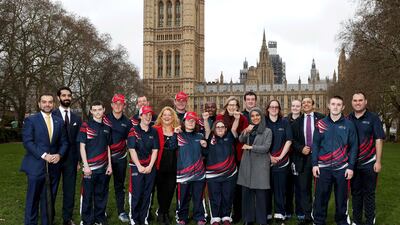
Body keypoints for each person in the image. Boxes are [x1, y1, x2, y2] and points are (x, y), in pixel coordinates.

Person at [21, 93, 68, 225]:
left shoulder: (59, 121)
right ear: (39, 104)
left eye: (50, 102)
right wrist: (44, 155)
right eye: (44, 102)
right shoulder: (31, 120)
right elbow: (28, 142)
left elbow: (64, 142)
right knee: (33, 198)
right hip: (36, 166)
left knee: (49, 198)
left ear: (53, 104)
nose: (47, 104)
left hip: (54, 166)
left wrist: (59, 155)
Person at [312, 96, 358, 225]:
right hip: (323, 168)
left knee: (341, 199)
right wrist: (314, 164)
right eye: (333, 104)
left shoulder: (349, 124)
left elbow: (354, 146)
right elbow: (315, 144)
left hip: (342, 168)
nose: (336, 107)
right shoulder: (321, 123)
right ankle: (319, 221)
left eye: (339, 104)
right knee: (321, 197)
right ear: (329, 106)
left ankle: (342, 221)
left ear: (343, 107)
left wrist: (351, 167)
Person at [349, 92, 385, 225]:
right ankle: (357, 220)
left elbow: (379, 139)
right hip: (353, 164)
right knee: (356, 193)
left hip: (369, 163)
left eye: (360, 100)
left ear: (365, 102)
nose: (357, 103)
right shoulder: (348, 118)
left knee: (369, 193)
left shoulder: (373, 118)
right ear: (352, 102)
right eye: (355, 100)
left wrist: (378, 161)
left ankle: (370, 220)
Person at [78, 101, 113, 225]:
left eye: (100, 109)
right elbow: (82, 147)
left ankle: (99, 218)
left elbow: (108, 146)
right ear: (91, 111)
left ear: (104, 110)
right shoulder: (85, 126)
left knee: (101, 194)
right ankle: (86, 220)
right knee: (87, 195)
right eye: (95, 110)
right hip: (90, 168)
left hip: (103, 168)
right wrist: (85, 165)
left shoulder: (107, 127)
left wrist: (109, 165)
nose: (98, 112)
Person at [291, 97, 325, 225]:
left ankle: (319, 215)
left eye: (308, 102)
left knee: (320, 188)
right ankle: (307, 216)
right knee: (304, 189)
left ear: (313, 105)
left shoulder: (322, 118)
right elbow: (292, 140)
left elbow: (327, 136)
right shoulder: (296, 122)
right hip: (303, 158)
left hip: (319, 158)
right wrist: (301, 148)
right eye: (303, 103)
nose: (305, 104)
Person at [216, 96, 248, 223]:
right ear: (226, 106)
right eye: (230, 104)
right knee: (226, 186)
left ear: (238, 107)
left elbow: (244, 136)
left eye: (234, 105)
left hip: (238, 156)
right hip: (224, 156)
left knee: (238, 186)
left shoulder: (243, 118)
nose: (232, 107)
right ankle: (224, 212)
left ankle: (238, 212)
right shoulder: (220, 118)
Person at [203, 111, 240, 225]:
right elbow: (207, 130)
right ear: (214, 129)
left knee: (227, 195)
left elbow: (234, 128)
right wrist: (205, 119)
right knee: (214, 196)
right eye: (217, 127)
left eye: (222, 127)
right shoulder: (210, 137)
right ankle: (215, 217)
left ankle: (226, 217)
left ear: (225, 128)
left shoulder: (230, 136)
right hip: (213, 174)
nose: (220, 129)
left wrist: (237, 118)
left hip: (229, 174)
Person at [237, 107, 272, 225]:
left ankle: (262, 220)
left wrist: (251, 147)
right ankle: (248, 219)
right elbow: (241, 139)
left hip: (260, 165)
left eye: (257, 115)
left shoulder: (267, 131)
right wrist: (246, 131)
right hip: (247, 164)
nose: (255, 118)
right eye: (252, 116)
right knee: (247, 194)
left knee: (261, 195)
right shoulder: (249, 129)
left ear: (261, 117)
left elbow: (266, 148)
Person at [53, 87, 82, 225]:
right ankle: (49, 217)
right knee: (51, 190)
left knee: (69, 191)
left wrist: (78, 161)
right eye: (63, 95)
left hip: (71, 160)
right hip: (54, 159)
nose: (67, 98)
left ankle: (67, 218)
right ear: (58, 97)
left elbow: (78, 141)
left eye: (69, 95)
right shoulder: (51, 115)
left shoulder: (77, 117)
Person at [103, 94, 133, 222]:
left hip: (120, 158)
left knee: (119, 186)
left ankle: (121, 211)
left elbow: (129, 141)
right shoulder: (105, 119)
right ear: (111, 104)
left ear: (124, 105)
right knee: (103, 185)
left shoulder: (127, 122)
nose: (118, 106)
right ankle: (101, 211)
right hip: (104, 158)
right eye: (115, 103)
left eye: (120, 103)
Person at [127, 106, 159, 225]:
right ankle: (134, 219)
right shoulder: (133, 130)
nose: (148, 117)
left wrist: (150, 166)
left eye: (150, 114)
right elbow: (131, 149)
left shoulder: (154, 131)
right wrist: (139, 166)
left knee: (147, 193)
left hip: (150, 166)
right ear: (140, 116)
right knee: (137, 193)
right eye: (145, 114)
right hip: (137, 166)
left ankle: (144, 217)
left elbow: (155, 150)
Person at [176, 112, 208, 225]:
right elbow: (170, 147)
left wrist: (205, 145)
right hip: (183, 174)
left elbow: (205, 153)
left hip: (199, 173)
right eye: (188, 120)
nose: (190, 122)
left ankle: (199, 216)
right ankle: (182, 217)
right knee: (183, 197)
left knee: (198, 196)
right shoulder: (178, 135)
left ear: (196, 123)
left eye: (193, 121)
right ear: (184, 122)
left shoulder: (199, 136)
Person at [265, 100, 293, 225]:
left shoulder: (285, 122)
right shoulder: (263, 122)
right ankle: (267, 214)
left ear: (279, 109)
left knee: (280, 189)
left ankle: (280, 214)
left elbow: (289, 140)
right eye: (272, 107)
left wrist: (281, 156)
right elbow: (259, 141)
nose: (274, 109)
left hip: (282, 161)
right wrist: (269, 156)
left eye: (276, 107)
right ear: (268, 109)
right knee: (266, 189)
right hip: (266, 161)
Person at [153, 107, 180, 225]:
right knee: (161, 190)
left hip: (173, 165)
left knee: (170, 191)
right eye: (165, 115)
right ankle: (162, 213)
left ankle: (165, 211)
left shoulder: (177, 131)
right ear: (161, 117)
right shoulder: (155, 129)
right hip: (160, 165)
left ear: (173, 117)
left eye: (170, 115)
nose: (167, 117)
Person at [284, 99, 302, 221]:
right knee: (287, 186)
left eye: (297, 106)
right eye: (293, 106)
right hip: (287, 156)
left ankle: (301, 211)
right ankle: (288, 210)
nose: (295, 108)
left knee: (300, 185)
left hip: (300, 156)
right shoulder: (285, 120)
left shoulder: (304, 120)